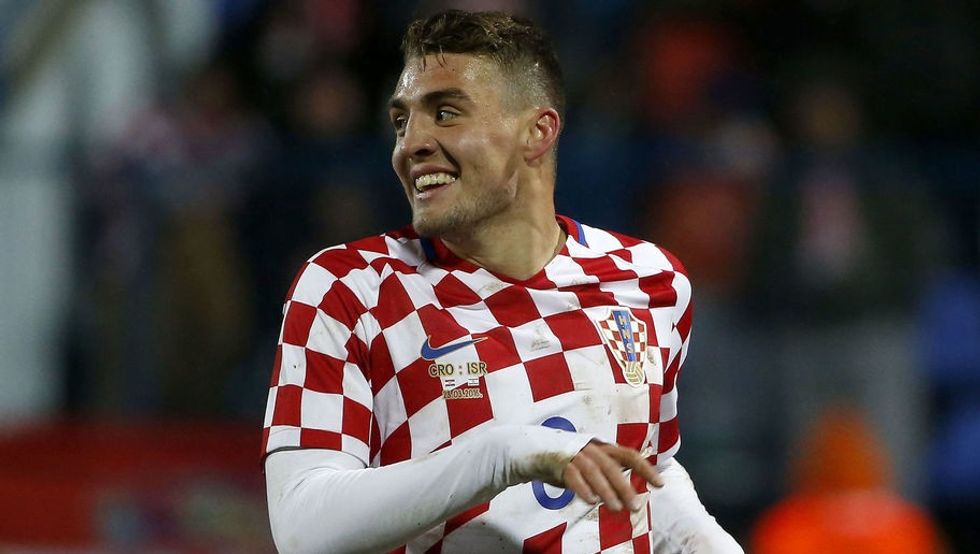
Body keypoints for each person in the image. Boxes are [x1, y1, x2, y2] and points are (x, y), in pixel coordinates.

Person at [263, 10, 742, 553]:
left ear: (538, 132)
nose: (411, 143)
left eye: (445, 113)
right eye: (401, 121)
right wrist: (501, 455)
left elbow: (647, 472)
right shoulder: (349, 289)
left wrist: (704, 543)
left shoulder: (651, 280)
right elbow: (303, 529)